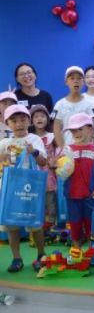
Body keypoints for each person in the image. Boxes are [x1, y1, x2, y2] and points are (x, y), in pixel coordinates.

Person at [0, 105, 47, 272]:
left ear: (29, 121)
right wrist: (2, 158)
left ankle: (41, 254)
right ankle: (16, 258)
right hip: (10, 190)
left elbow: (43, 162)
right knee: (11, 225)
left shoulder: (35, 139)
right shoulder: (4, 143)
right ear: (7, 123)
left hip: (30, 189)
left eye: (22, 120)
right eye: (14, 121)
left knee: (34, 224)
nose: (19, 124)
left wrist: (34, 152)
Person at [60, 113, 94, 249]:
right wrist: (54, 164)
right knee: (75, 224)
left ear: (90, 129)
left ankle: (92, 251)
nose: (76, 133)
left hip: (90, 196)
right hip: (71, 195)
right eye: (73, 130)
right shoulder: (67, 150)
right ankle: (77, 250)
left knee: (90, 225)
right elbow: (57, 166)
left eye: (80, 129)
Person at [52, 66, 94, 147]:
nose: (76, 81)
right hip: (66, 149)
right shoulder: (60, 104)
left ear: (83, 82)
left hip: (85, 150)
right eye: (72, 78)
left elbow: (92, 128)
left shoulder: (90, 104)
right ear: (66, 82)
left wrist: (85, 146)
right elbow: (57, 129)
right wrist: (63, 149)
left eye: (79, 78)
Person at [31, 104, 57, 225]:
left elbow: (61, 150)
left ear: (48, 119)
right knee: (36, 200)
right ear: (31, 120)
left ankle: (52, 225)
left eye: (42, 116)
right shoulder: (30, 138)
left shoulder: (52, 136)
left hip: (49, 174)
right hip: (34, 173)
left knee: (50, 200)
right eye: (36, 116)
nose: (39, 118)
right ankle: (38, 225)